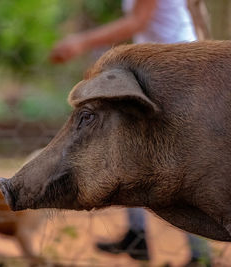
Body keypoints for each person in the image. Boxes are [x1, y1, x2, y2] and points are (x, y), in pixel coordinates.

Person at [49, 0, 211, 266]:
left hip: (177, 72)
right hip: (164, 68)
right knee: (132, 151)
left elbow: (139, 21)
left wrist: (81, 41)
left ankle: (196, 252)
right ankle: (140, 238)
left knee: (176, 162)